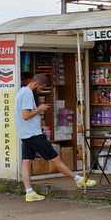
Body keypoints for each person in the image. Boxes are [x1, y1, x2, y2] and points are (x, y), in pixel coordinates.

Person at [16, 73, 95, 202]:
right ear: (37, 84)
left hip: (25, 134)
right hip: (34, 134)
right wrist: (39, 109)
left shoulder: (21, 91)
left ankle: (29, 192)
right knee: (56, 159)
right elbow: (25, 115)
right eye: (42, 88)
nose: (41, 91)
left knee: (26, 162)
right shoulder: (28, 94)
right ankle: (78, 180)